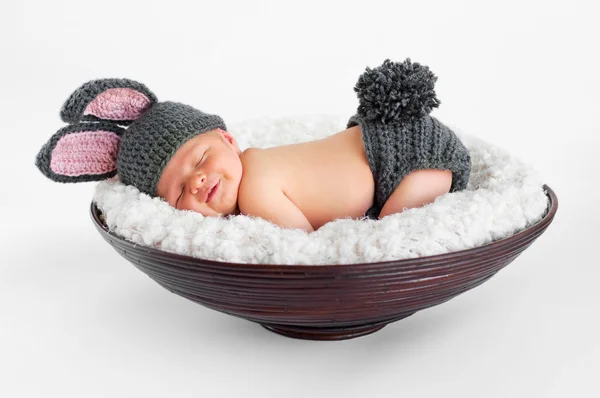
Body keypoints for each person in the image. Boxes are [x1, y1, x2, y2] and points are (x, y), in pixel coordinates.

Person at [36, 58, 471, 233]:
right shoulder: (254, 171)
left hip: (407, 154)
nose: (199, 180)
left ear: (228, 139)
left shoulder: (257, 186)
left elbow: (301, 242)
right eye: (179, 191)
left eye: (200, 159)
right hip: (383, 149)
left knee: (393, 232)